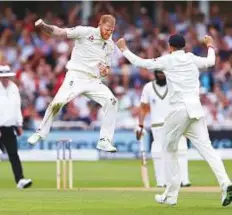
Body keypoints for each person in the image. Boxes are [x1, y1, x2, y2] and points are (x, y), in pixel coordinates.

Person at [116, 34, 232, 206]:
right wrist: (210, 45)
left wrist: (124, 49)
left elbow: (142, 63)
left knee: (168, 148)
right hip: (196, 110)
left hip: (178, 110)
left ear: (170, 47)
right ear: (184, 47)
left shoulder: (168, 60)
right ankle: (226, 184)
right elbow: (210, 62)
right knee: (207, 149)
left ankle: (171, 195)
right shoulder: (191, 58)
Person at [27, 15, 118, 152]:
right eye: (106, 29)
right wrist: (43, 26)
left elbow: (106, 70)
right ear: (99, 24)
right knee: (57, 103)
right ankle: (40, 132)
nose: (108, 33)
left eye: (111, 31)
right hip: (75, 77)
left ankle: (104, 140)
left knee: (112, 101)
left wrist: (105, 71)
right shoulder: (85, 32)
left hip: (93, 80)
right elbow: (60, 32)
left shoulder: (110, 45)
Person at [136, 70, 190, 187]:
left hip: (175, 123)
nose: (161, 75)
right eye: (158, 72)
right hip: (157, 126)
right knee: (158, 153)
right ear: (155, 73)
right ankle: (162, 182)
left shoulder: (175, 85)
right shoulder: (148, 87)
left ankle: (183, 180)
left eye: (163, 72)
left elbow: (184, 105)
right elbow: (143, 108)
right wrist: (140, 125)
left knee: (181, 150)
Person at [0, 65, 32, 189]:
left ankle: (20, 180)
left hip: (9, 126)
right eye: (2, 77)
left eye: (6, 77)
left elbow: (17, 107)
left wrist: (19, 124)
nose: (5, 79)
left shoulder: (14, 88)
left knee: (13, 154)